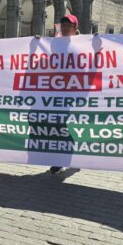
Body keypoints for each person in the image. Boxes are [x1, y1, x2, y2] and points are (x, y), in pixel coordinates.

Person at [49, 14, 80, 174]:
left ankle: (66, 157)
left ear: (75, 29)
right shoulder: (53, 43)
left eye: (69, 25)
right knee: (56, 124)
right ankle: (60, 158)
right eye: (63, 25)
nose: (66, 27)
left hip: (74, 92)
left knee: (66, 125)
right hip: (56, 91)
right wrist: (36, 43)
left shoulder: (83, 45)